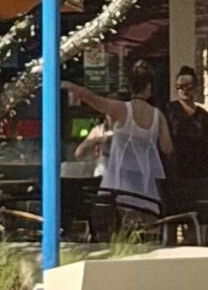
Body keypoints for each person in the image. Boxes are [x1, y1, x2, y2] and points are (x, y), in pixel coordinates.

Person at [66, 61, 172, 225]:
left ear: (130, 87)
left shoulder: (121, 109)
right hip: (147, 185)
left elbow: (92, 98)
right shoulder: (158, 116)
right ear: (149, 87)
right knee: (149, 231)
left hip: (120, 183)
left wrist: (69, 85)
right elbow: (167, 148)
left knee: (122, 230)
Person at [166, 65, 208, 182]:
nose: (184, 91)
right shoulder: (169, 111)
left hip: (198, 170)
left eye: (189, 87)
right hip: (175, 170)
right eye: (180, 87)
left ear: (196, 88)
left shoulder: (203, 116)